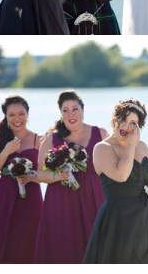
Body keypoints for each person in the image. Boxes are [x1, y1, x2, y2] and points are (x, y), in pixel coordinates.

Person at [84, 99, 148, 263]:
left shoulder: (142, 146)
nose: (126, 126)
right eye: (123, 119)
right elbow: (121, 175)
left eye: (133, 123)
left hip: (146, 218)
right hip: (118, 220)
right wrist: (130, 145)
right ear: (114, 119)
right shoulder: (102, 148)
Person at [35, 91, 109, 263]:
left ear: (83, 110)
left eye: (75, 109)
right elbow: (39, 174)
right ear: (61, 114)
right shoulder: (51, 140)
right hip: (62, 201)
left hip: (94, 197)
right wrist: (56, 175)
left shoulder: (101, 134)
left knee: (98, 245)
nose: (71, 114)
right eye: (65, 110)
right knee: (66, 248)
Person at [0, 96, 43, 263]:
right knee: (3, 243)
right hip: (4, 197)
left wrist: (31, 177)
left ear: (28, 114)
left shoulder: (39, 140)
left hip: (31, 198)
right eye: (11, 115)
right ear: (5, 116)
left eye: (21, 114)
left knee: (29, 242)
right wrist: (6, 151)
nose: (17, 119)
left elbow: (45, 175)